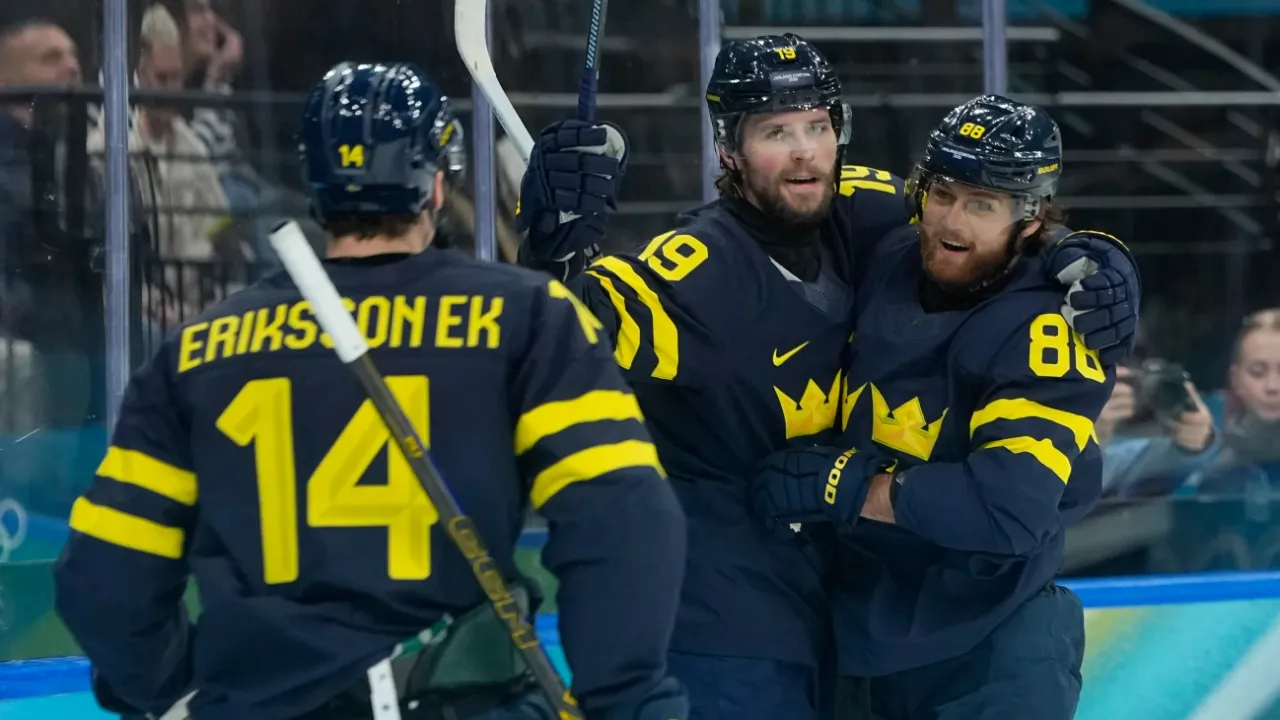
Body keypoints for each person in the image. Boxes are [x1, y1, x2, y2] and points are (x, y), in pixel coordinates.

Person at [515, 33, 1140, 720]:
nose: (805, 149)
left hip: (903, 633)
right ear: (728, 148)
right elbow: (574, 331)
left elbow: (1010, 502)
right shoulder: (699, 268)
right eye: (775, 131)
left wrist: (1094, 253)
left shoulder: (873, 216)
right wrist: (551, 257)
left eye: (818, 125)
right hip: (730, 626)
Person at [53, 62, 688, 720]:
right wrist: (625, 699)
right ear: (439, 182)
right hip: (462, 701)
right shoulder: (530, 318)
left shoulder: (197, 349)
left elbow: (104, 572)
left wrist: (169, 688)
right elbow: (625, 520)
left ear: (314, 183)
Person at [749, 95, 1115, 719]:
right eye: (942, 193)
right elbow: (780, 192)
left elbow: (1006, 512)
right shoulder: (890, 249)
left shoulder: (1050, 328)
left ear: (1031, 219)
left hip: (990, 653)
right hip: (862, 641)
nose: (950, 222)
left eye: (983, 204)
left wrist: (846, 487)